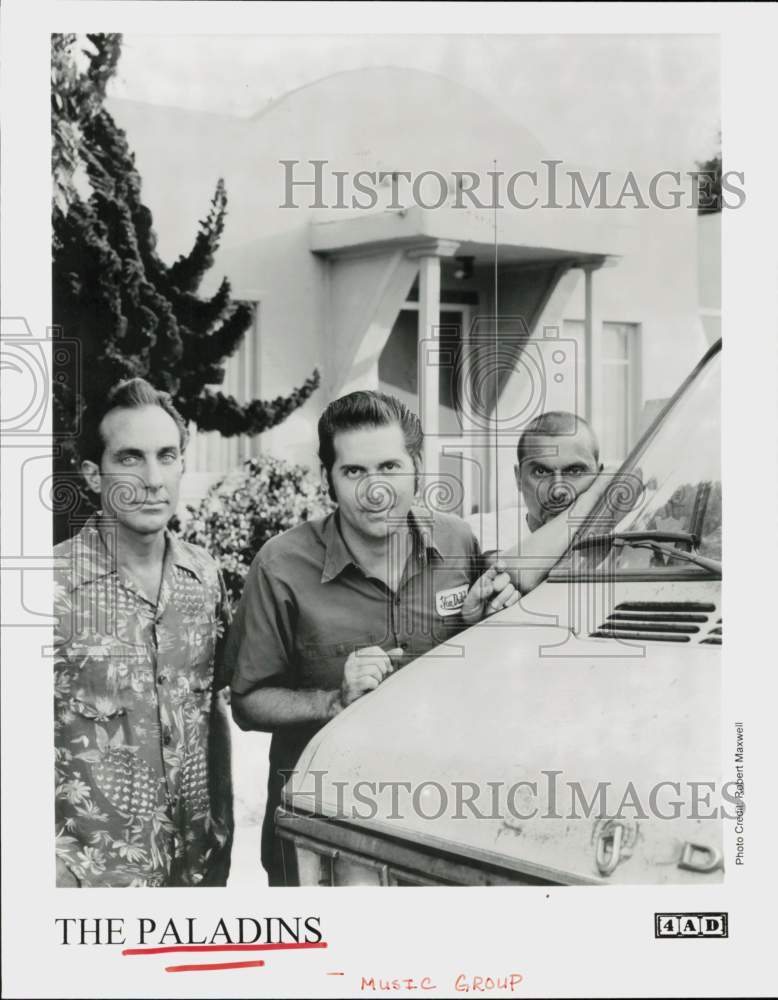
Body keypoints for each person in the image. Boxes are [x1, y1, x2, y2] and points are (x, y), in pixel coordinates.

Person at [226, 390, 518, 885]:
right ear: (327, 480)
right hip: (323, 838)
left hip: (442, 826)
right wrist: (333, 701)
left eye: (389, 467)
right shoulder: (281, 566)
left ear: (417, 468)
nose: (375, 490)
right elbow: (248, 703)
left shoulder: (457, 542)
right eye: (354, 472)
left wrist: (480, 624)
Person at [53, 378, 233, 887]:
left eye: (166, 456)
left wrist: (221, 836)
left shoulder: (205, 579)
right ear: (92, 475)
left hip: (194, 877)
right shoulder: (47, 589)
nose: (152, 478)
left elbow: (212, 717)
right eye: (130, 458)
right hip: (90, 885)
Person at [469, 410, 609, 594]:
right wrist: (594, 495)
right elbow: (516, 575)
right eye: (541, 472)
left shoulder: (623, 535)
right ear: (518, 478)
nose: (558, 490)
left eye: (574, 471)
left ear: (598, 473)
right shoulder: (483, 529)